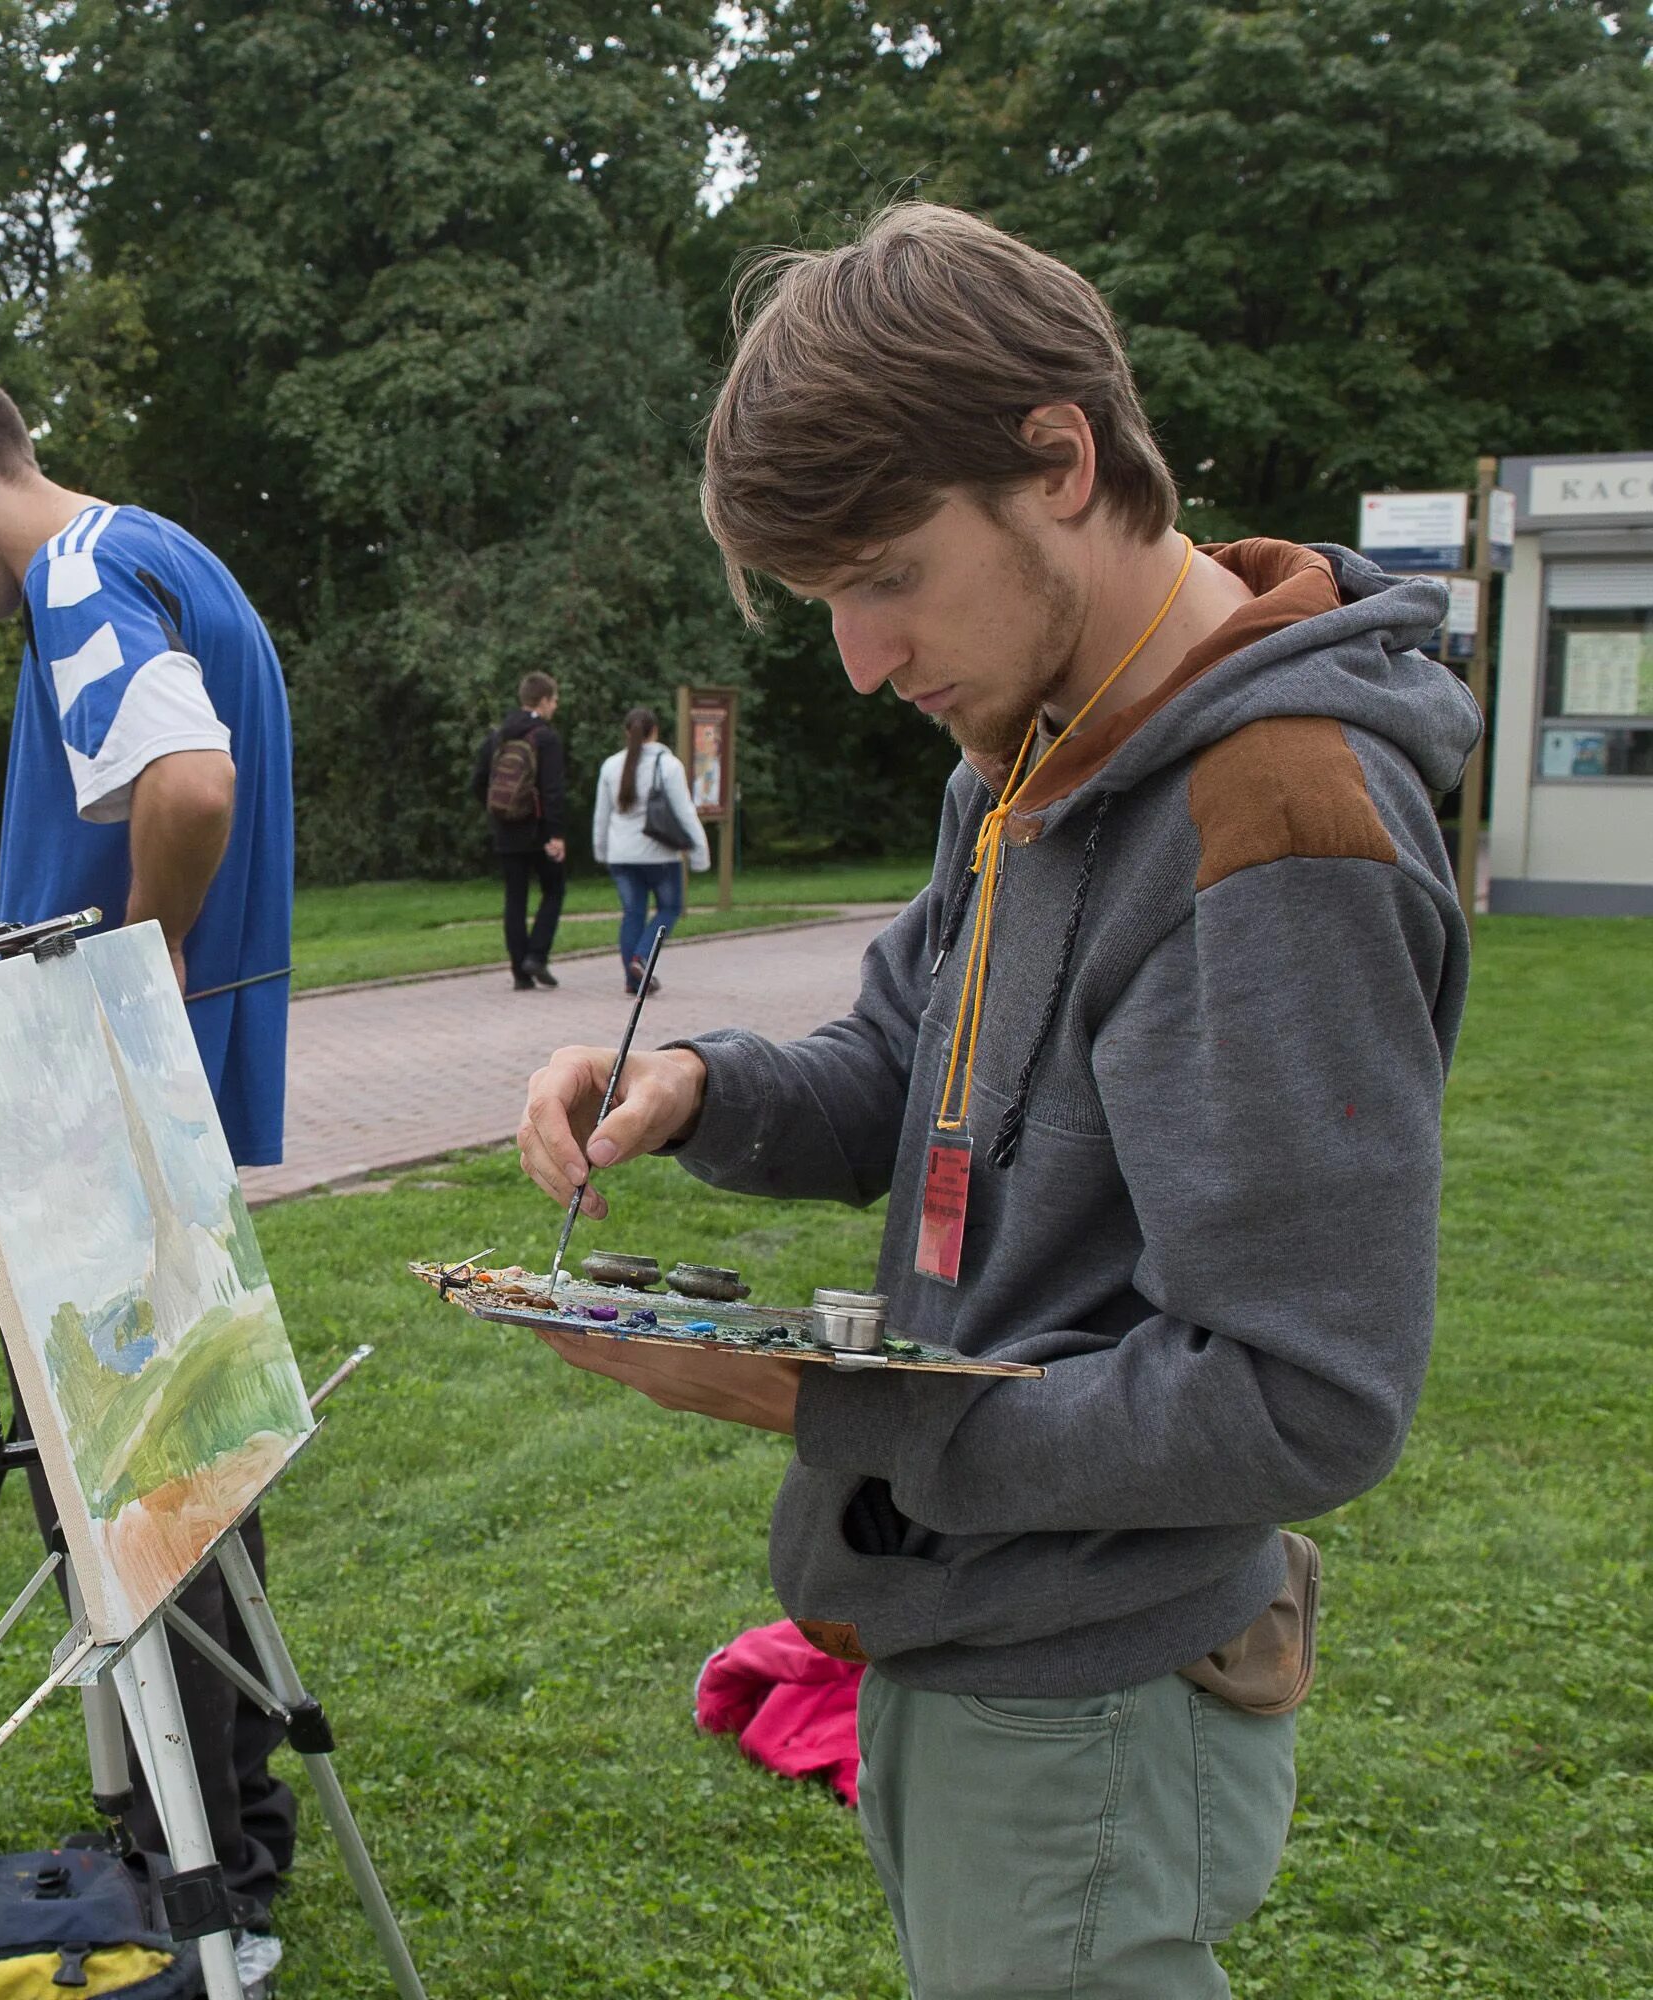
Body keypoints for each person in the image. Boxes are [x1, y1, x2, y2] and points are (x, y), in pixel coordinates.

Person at [513, 203, 1472, 1998]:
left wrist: (852, 1416)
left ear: (1059, 460)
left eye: (886, 573)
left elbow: (1307, 1394)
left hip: (1094, 1693)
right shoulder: (1029, 747)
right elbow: (901, 1071)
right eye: (827, 605)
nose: (864, 660)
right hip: (971, 1649)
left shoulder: (1276, 816)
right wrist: (695, 1089)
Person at [0, 361, 296, 1990]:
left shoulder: (82, 580)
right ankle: (205, 1834)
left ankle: (210, 1872)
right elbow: (95, 868)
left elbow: (187, 785)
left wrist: (138, 966)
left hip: (111, 1115)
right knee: (182, 1476)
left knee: (159, 1490)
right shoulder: (159, 554)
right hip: (130, 1104)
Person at [590, 705, 709, 994]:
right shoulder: (668, 765)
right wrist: (699, 853)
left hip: (621, 854)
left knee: (632, 913)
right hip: (660, 856)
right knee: (670, 908)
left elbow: (601, 815)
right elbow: (684, 812)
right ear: (655, 732)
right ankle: (641, 957)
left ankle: (634, 981)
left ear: (625, 732)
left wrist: (602, 851)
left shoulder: (610, 766)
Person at [474, 673, 569, 989]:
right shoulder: (545, 737)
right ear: (542, 701)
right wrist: (555, 834)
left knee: (515, 898)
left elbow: (478, 782)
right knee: (553, 890)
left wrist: (498, 814)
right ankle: (537, 955)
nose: (555, 706)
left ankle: (520, 973)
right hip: (539, 830)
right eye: (554, 700)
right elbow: (553, 789)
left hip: (506, 830)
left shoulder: (498, 736)